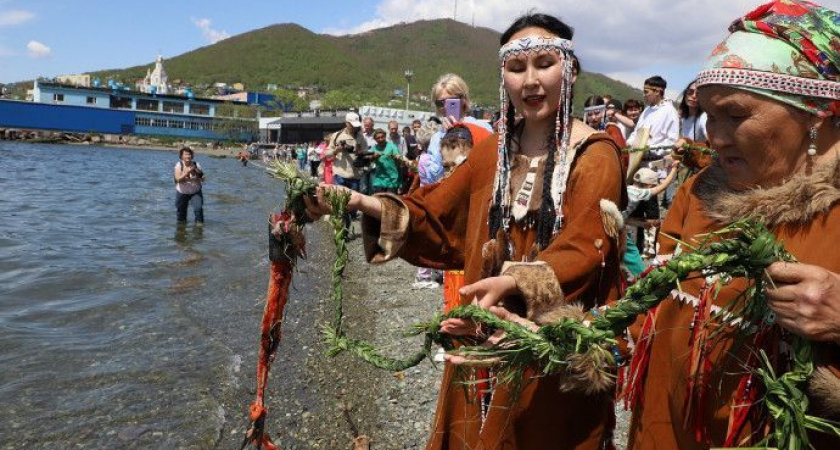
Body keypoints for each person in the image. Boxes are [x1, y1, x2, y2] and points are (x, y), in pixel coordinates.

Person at [306, 12, 626, 449]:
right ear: (503, 78)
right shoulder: (492, 151)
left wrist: (516, 280)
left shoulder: (595, 153)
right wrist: (361, 202)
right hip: (480, 329)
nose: (530, 81)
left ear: (570, 70)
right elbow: (435, 211)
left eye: (544, 64)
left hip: (552, 340)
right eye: (516, 69)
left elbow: (587, 246)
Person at [626, 2, 840, 448]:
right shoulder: (703, 190)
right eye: (708, 114)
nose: (714, 136)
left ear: (816, 113)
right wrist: (562, 332)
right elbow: (653, 304)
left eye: (736, 115)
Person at [621, 162, 679, 276]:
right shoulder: (639, 193)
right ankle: (643, 277)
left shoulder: (628, 189)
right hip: (615, 226)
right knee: (632, 252)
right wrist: (674, 169)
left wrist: (641, 224)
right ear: (649, 185)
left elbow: (622, 216)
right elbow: (664, 186)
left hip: (610, 221)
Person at [326, 112, 368, 236]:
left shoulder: (361, 137)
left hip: (354, 175)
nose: (355, 127)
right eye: (352, 125)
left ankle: (345, 228)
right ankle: (341, 231)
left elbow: (365, 152)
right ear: (346, 123)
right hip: (339, 174)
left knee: (351, 206)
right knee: (341, 205)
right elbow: (327, 154)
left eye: (356, 125)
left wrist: (360, 151)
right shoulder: (337, 135)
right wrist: (336, 150)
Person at [626, 76, 680, 155]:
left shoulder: (670, 111)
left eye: (646, 92)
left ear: (657, 92)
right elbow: (636, 133)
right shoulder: (646, 110)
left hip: (657, 162)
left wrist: (650, 149)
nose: (644, 95)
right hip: (639, 158)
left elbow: (672, 140)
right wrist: (629, 142)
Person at [174, 146, 205, 224]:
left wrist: (196, 174)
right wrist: (187, 172)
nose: (188, 156)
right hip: (182, 192)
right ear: (181, 156)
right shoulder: (179, 165)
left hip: (195, 191)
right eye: (185, 154)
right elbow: (178, 179)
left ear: (192, 155)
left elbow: (203, 178)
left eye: (189, 154)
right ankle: (181, 229)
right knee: (181, 213)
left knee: (198, 208)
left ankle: (199, 227)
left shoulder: (196, 164)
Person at [368, 128, 402, 194]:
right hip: (379, 178)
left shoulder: (392, 146)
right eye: (378, 138)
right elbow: (367, 158)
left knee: (390, 200)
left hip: (392, 178)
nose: (380, 139)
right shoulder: (374, 148)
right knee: (379, 199)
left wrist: (397, 157)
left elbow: (397, 155)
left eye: (382, 137)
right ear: (375, 139)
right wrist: (373, 157)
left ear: (385, 136)